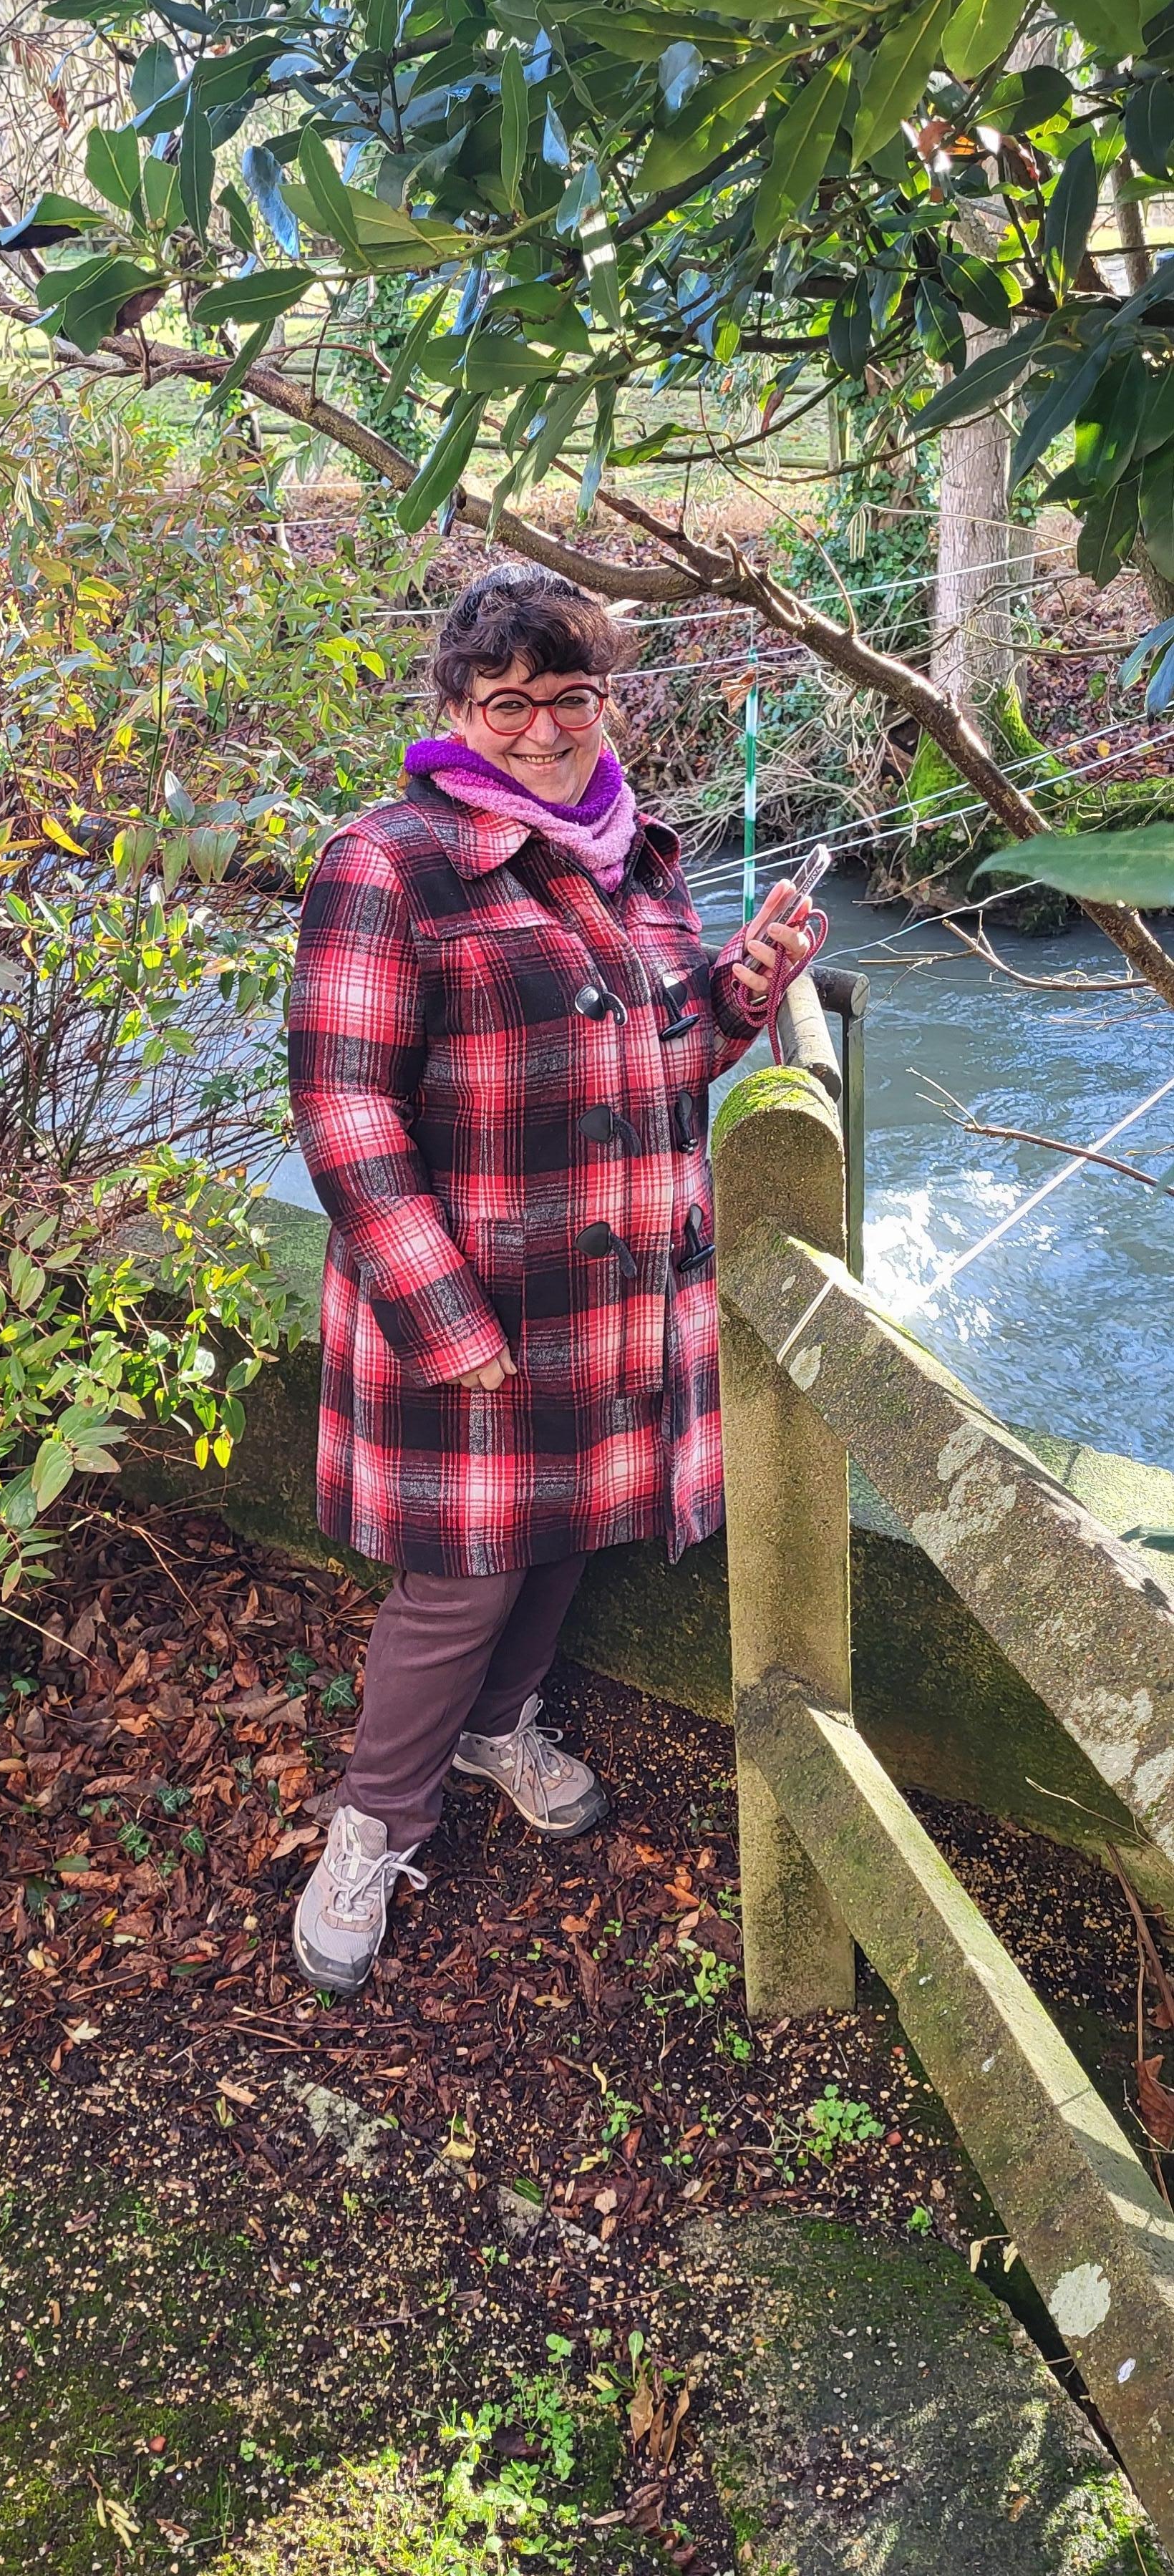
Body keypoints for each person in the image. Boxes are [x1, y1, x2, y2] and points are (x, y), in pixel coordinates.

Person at [286, 563, 822, 1993]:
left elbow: (664, 1060)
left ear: (605, 699)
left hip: (618, 1298)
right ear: (458, 708)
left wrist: (743, 988)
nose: (542, 728)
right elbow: (344, 1107)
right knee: (459, 1582)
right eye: (506, 701)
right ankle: (373, 1826)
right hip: (470, 1301)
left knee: (571, 1531)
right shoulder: (388, 860)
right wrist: (441, 1315)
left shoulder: (639, 852)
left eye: (569, 696)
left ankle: (497, 1728)